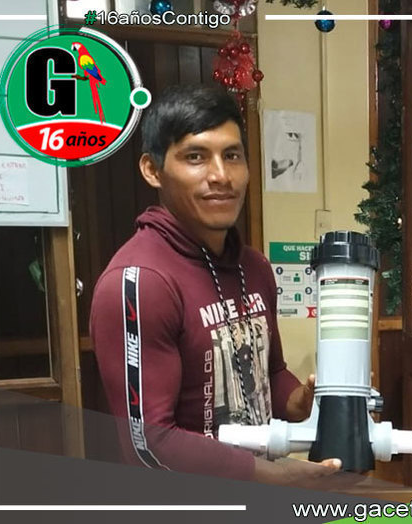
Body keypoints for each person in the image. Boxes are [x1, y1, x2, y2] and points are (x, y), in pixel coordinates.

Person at [90, 84, 339, 484]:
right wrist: (274, 477)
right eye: (195, 157)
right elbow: (149, 443)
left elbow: (271, 374)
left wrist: (305, 401)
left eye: (232, 156)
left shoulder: (254, 267)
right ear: (152, 170)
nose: (221, 175)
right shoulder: (139, 282)